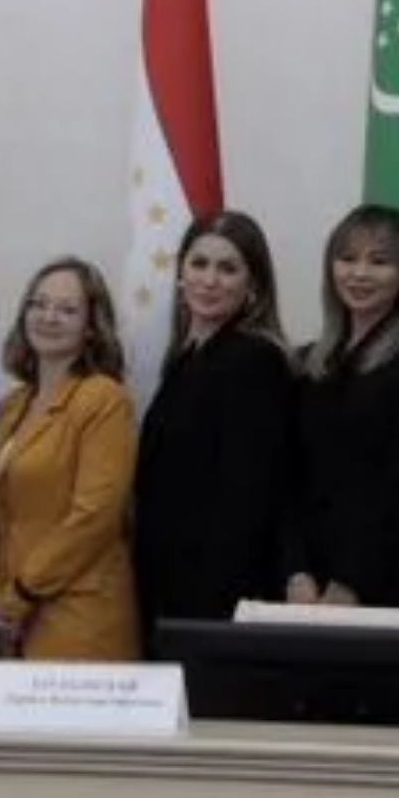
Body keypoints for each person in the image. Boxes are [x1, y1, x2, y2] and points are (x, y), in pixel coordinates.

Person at [282, 204, 399, 613]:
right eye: (347, 258)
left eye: (379, 261)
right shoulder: (308, 363)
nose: (359, 273)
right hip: (307, 588)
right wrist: (295, 570)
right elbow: (287, 478)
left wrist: (352, 580)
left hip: (392, 583)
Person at [131, 209, 300, 637]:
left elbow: (249, 497)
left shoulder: (253, 360)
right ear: (180, 273)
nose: (209, 280)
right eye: (199, 263)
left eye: (228, 269)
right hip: (168, 583)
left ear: (253, 285)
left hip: (216, 596)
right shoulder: (187, 358)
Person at [0, 255, 138, 663]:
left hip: (80, 619)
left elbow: (94, 515)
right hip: (11, 623)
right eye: (39, 304)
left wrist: (21, 593)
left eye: (67, 310)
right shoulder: (12, 406)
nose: (48, 317)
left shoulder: (104, 399)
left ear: (91, 327)